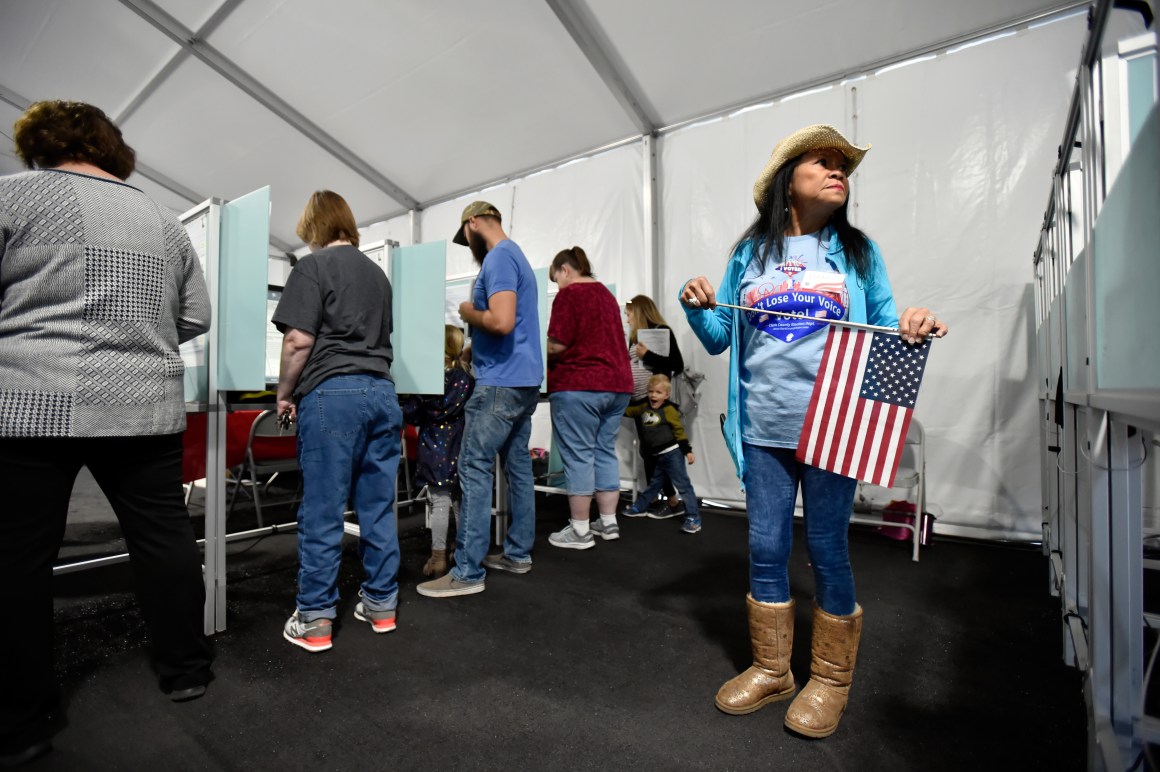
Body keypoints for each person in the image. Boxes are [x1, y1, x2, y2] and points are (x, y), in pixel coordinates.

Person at [679, 124, 948, 738]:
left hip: (836, 428)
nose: (838, 173)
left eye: (843, 167)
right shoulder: (749, 255)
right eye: (822, 163)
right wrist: (697, 304)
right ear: (786, 183)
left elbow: (886, 327)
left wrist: (912, 320)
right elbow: (722, 337)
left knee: (828, 550)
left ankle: (830, 679)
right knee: (766, 548)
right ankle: (773, 670)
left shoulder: (859, 252)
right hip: (763, 432)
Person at [0, 100, 214, 765]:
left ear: (41, 142)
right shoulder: (161, 219)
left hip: (32, 399)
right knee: (163, 538)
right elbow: (195, 316)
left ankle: (22, 718)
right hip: (142, 402)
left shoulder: (12, 197)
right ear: (111, 145)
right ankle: (186, 670)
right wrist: (136, 334)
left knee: (17, 558)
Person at [273, 190, 403, 651]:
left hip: (332, 394)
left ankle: (315, 621)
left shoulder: (311, 268)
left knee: (323, 510)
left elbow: (297, 342)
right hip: (382, 393)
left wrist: (284, 393)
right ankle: (381, 606)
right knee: (377, 507)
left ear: (314, 228)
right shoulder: (378, 274)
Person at [417, 201, 542, 597]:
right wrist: (471, 350)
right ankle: (518, 554)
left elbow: (501, 321)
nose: (466, 244)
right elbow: (514, 325)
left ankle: (467, 572)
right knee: (518, 467)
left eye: (464, 236)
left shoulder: (498, 258)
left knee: (472, 466)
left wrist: (468, 312)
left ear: (473, 223)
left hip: (499, 384)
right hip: (524, 381)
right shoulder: (516, 254)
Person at [542, 247, 633, 549]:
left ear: (565, 270)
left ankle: (580, 531)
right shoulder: (606, 295)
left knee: (579, 454)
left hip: (580, 385)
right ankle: (608, 523)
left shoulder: (568, 296)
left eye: (556, 279)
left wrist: (534, 353)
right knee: (604, 451)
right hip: (617, 385)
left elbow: (557, 345)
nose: (558, 286)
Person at [400, 325, 475, 577]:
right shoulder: (466, 377)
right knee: (458, 500)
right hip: (460, 443)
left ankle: (438, 557)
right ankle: (463, 548)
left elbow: (412, 413)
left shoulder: (430, 379)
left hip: (434, 445)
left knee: (439, 502)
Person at [624, 295, 686, 517]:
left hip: (654, 402)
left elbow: (676, 365)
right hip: (639, 401)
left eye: (629, 314)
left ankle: (668, 501)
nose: (627, 319)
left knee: (655, 452)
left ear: (639, 312)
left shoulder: (662, 331)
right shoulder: (634, 337)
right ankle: (667, 501)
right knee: (649, 452)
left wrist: (648, 355)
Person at [621, 375, 701, 534]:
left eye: (658, 392)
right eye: (650, 391)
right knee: (654, 484)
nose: (653, 395)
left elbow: (679, 431)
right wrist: (611, 405)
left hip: (673, 454)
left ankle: (693, 518)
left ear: (666, 395)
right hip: (657, 455)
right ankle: (640, 506)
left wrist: (687, 451)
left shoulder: (669, 410)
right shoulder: (643, 406)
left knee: (683, 485)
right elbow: (628, 411)